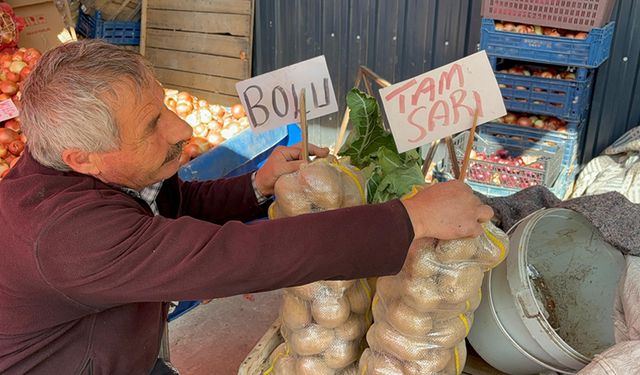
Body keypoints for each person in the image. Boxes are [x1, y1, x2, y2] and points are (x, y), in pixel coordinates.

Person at [0, 40, 493, 375]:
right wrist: (411, 219)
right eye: (152, 124)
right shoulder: (63, 235)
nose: (182, 129)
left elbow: (171, 211)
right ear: (83, 158)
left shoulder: (93, 175)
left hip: (114, 350)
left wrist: (258, 184)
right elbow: (230, 258)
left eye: (166, 103)